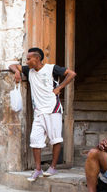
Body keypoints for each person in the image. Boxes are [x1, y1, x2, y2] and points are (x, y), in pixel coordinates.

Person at [9, 47, 76, 181]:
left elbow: (72, 74)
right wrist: (17, 71)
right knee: (35, 140)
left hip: (53, 109)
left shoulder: (52, 68)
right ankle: (38, 169)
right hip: (39, 112)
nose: (27, 62)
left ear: (37, 58)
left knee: (55, 139)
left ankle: (53, 167)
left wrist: (59, 87)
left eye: (29, 59)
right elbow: (12, 65)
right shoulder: (29, 71)